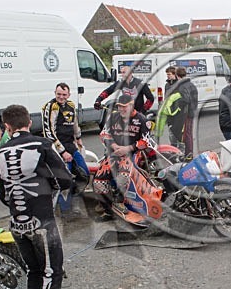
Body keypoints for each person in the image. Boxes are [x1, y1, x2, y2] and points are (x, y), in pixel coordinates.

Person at [0, 104, 75, 289]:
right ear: (30, 122)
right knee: (53, 271)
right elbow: (64, 179)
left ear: (6, 127)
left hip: (17, 223)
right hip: (42, 221)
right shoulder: (42, 145)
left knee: (33, 271)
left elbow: (3, 194)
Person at [93, 94, 151, 224]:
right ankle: (108, 209)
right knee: (98, 181)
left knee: (123, 177)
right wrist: (114, 146)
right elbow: (103, 134)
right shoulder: (113, 117)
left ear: (131, 105)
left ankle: (121, 201)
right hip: (114, 153)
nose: (122, 110)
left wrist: (128, 148)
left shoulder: (142, 119)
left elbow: (146, 141)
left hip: (133, 154)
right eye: (119, 107)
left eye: (124, 107)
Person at [42, 83, 89, 194]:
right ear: (55, 93)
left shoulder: (71, 105)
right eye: (59, 94)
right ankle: (63, 206)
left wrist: (78, 138)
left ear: (68, 95)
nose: (61, 97)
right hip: (55, 148)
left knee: (84, 172)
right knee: (64, 178)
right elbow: (48, 132)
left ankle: (75, 197)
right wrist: (62, 152)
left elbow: (75, 124)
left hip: (70, 144)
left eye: (64, 94)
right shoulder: (50, 107)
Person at [175, 66, 199, 158]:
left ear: (177, 76)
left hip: (186, 113)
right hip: (192, 111)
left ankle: (189, 154)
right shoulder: (191, 84)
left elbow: (186, 99)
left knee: (187, 134)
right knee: (188, 133)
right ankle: (189, 153)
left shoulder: (182, 86)